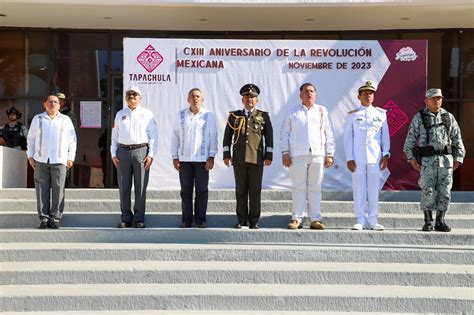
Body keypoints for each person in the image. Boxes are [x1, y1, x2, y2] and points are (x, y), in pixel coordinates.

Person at [403, 88, 465, 232]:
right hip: (427, 162)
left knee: (445, 191)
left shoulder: (448, 117)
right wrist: (412, 159)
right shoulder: (419, 117)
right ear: (426, 101)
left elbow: (457, 138)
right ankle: (428, 221)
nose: (437, 101)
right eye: (433, 98)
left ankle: (440, 221)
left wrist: (459, 157)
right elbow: (409, 141)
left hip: (446, 162)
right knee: (428, 190)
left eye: (439, 98)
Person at [281, 83, 335, 230]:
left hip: (317, 154)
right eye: (306, 91)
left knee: (315, 187)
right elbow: (284, 134)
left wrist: (329, 153)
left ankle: (315, 219)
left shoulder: (322, 111)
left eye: (312, 91)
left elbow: (328, 133)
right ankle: (296, 218)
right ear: (300, 95)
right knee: (298, 187)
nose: (309, 93)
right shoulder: (292, 112)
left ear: (315, 94)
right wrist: (285, 152)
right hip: (297, 154)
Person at [223, 83, 273, 229]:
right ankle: (242, 219)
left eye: (252, 97)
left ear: (257, 100)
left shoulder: (263, 116)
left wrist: (268, 154)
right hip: (238, 158)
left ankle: (254, 220)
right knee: (241, 191)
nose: (249, 99)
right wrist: (227, 154)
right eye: (246, 97)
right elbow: (227, 137)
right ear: (242, 100)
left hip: (256, 158)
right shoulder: (234, 116)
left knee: (255, 191)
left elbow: (269, 137)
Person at [343, 80, 390, 231]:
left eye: (371, 93)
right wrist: (349, 157)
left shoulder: (380, 114)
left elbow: (385, 136)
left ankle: (373, 219)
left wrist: (386, 154)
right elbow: (347, 138)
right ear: (359, 96)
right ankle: (360, 219)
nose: (368, 96)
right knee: (359, 188)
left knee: (374, 188)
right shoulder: (352, 115)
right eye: (365, 93)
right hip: (357, 157)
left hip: (375, 156)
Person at [26, 95, 77, 229]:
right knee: (41, 189)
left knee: (58, 189)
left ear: (59, 105)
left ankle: (55, 218)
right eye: (50, 102)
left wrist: (70, 157)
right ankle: (44, 218)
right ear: (44, 104)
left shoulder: (65, 120)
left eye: (56, 102)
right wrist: (30, 155)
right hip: (41, 159)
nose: (53, 104)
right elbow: (30, 139)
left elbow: (72, 140)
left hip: (59, 160)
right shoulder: (38, 119)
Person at [111, 86, 158, 228]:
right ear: (125, 98)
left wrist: (151, 155)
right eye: (129, 94)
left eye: (135, 94)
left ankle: (139, 219)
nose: (131, 96)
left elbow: (154, 136)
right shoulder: (120, 114)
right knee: (124, 186)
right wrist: (113, 153)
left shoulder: (147, 114)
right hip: (123, 152)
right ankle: (125, 218)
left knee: (141, 186)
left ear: (140, 98)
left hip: (141, 152)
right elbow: (115, 136)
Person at [171, 88, 218, 228]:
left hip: (202, 160)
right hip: (184, 160)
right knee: (185, 191)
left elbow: (213, 136)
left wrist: (212, 156)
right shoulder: (180, 115)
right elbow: (175, 137)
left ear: (202, 99)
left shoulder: (208, 115)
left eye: (198, 96)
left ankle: (201, 219)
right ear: (188, 99)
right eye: (192, 96)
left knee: (202, 191)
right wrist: (175, 156)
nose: (195, 98)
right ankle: (186, 219)